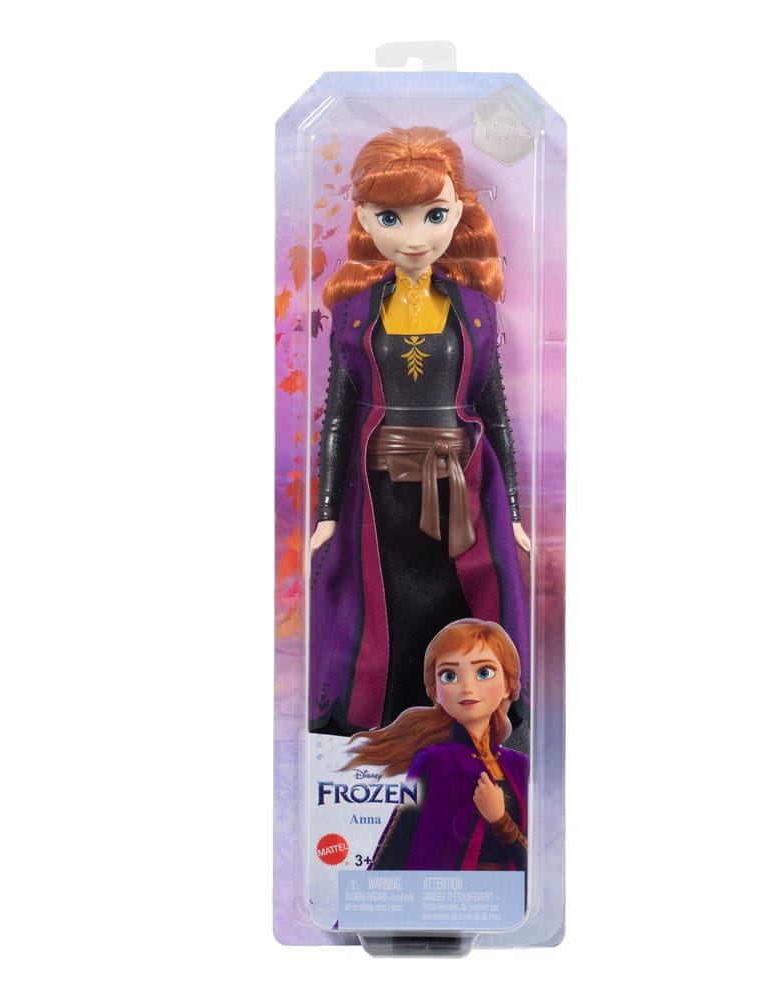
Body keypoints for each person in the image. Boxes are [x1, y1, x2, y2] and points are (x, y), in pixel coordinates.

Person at [309, 126, 530, 736]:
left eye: (433, 215)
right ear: (363, 217)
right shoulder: (356, 310)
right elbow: (337, 414)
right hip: (381, 495)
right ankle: (378, 718)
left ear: (458, 211)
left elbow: (495, 410)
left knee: (463, 597)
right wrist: (327, 511)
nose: (413, 238)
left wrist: (513, 511)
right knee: (385, 606)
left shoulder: (475, 308)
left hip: (461, 487)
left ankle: (471, 717)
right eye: (391, 218)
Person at [345, 619, 528, 872]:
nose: (467, 687)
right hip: (447, 893)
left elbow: (538, 861)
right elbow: (400, 841)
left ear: (508, 684)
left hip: (510, 894)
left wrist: (499, 819)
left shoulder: (518, 765)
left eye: (484, 672)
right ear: (436, 691)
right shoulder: (435, 761)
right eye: (449, 675)